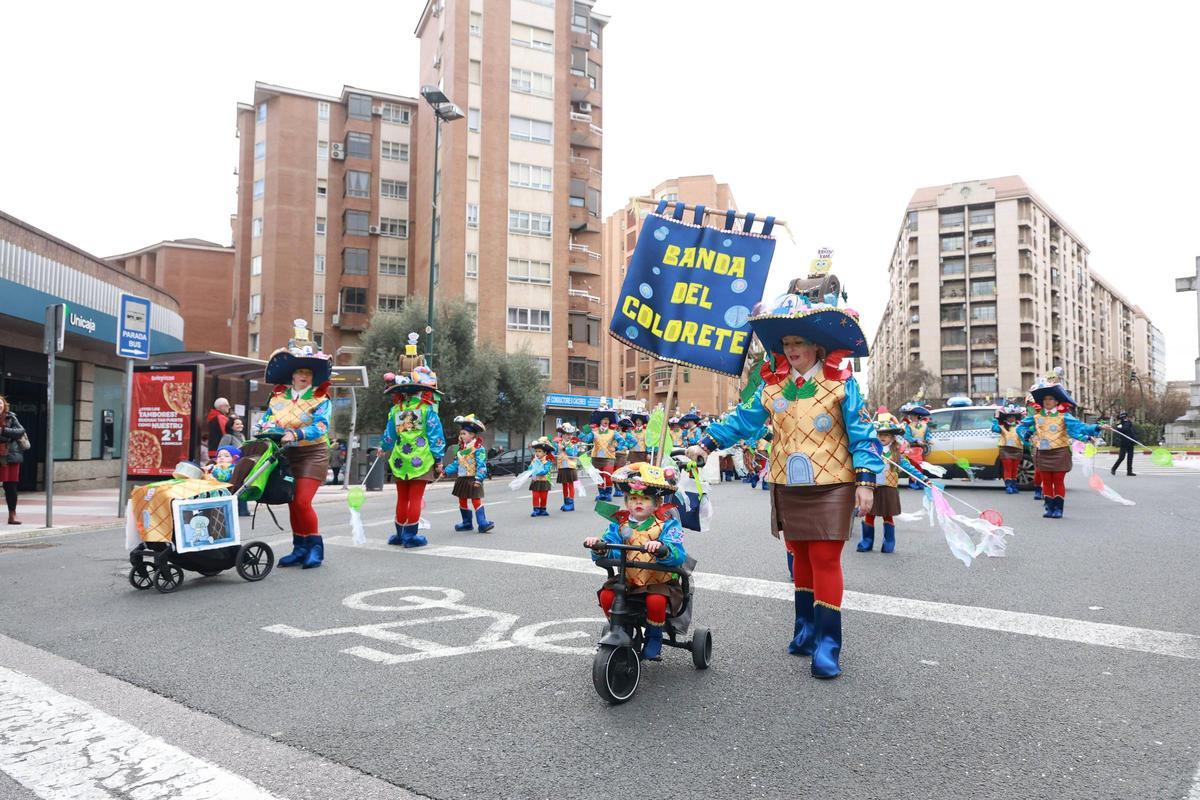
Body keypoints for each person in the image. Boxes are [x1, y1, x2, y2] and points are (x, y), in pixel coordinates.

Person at [689, 282, 880, 679]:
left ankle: (828, 645)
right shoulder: (771, 386)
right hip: (786, 483)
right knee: (801, 559)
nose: (792, 349)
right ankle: (805, 630)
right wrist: (706, 443)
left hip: (833, 482)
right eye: (788, 342)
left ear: (817, 346)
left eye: (800, 341)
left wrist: (866, 480)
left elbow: (862, 433)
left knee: (825, 558)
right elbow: (744, 421)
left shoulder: (841, 384)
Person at [584, 462, 687, 661]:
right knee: (606, 595)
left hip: (659, 581)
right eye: (632, 498)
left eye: (645, 498)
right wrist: (599, 546)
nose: (638, 502)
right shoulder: (620, 524)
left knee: (655, 601)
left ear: (656, 504)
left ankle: (654, 636)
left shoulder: (667, 524)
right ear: (626, 502)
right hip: (628, 579)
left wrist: (662, 549)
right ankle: (620, 628)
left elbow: (678, 553)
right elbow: (611, 548)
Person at [256, 320, 332, 569]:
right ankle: (299, 548)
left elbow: (321, 427)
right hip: (285, 455)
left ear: (313, 376)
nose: (303, 376)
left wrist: (295, 435)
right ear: (292, 375)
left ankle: (315, 548)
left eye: (308, 373)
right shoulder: (278, 398)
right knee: (291, 501)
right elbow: (267, 421)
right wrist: (263, 430)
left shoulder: (321, 399)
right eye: (299, 372)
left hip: (313, 453)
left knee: (302, 501)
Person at [379, 338, 445, 548]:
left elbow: (389, 436)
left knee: (402, 497)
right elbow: (436, 437)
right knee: (415, 498)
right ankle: (410, 536)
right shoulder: (427, 410)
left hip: (400, 460)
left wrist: (384, 448)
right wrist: (439, 458)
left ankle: (399, 534)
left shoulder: (396, 409)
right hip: (421, 459)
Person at [1017, 373, 1108, 519]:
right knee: (1046, 481)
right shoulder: (1035, 417)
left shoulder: (1064, 416)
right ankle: (1049, 507)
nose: (1047, 402)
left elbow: (1080, 427)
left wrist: (1097, 428)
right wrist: (1026, 435)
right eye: (1045, 399)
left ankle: (1058, 509)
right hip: (1043, 453)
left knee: (1058, 481)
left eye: (1051, 399)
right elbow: (1020, 428)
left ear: (1056, 401)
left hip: (1060, 453)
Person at [857, 411, 922, 554]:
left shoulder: (896, 453)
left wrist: (922, 478)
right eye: (880, 434)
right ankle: (866, 541)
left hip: (888, 489)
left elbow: (909, 467)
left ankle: (889, 542)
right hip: (872, 487)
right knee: (869, 513)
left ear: (892, 437)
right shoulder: (871, 451)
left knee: (888, 515)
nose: (882, 437)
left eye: (886, 435)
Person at [444, 414, 495, 533]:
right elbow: (457, 464)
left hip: (473, 478)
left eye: (464, 433)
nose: (461, 436)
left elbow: (482, 464)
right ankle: (467, 523)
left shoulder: (478, 448)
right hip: (462, 478)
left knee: (475, 500)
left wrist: (479, 478)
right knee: (462, 500)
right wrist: (446, 471)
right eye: (461, 433)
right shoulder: (461, 449)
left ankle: (482, 523)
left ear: (472, 435)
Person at [579, 407, 619, 501]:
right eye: (604, 419)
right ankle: (601, 494)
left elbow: (623, 442)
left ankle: (608, 494)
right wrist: (581, 434)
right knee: (598, 477)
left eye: (607, 419)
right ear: (600, 421)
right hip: (596, 457)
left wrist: (618, 448)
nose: (606, 421)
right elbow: (586, 439)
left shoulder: (614, 432)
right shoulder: (594, 432)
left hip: (609, 457)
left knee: (608, 476)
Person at [0, 396, 26, 525]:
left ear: (4, 405)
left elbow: (20, 431)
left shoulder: (11, 417)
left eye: (0, 403)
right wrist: (8, 437)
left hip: (10, 456)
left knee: (11, 486)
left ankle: (12, 515)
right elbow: (13, 435)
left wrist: (3, 430)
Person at [991, 403, 1025, 493]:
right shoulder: (1002, 427)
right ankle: (1008, 486)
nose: (1011, 418)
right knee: (1008, 468)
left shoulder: (1020, 426)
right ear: (1005, 418)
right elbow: (994, 428)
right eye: (1009, 417)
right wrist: (996, 419)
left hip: (1018, 449)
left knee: (1015, 469)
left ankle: (1014, 485)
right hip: (1005, 450)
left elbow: (1025, 434)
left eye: (1013, 416)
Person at [902, 404, 932, 489]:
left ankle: (920, 482)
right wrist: (916, 440)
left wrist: (928, 440)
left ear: (916, 416)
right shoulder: (908, 426)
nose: (910, 417)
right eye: (910, 415)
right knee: (912, 466)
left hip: (921, 449)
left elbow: (927, 435)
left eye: (912, 415)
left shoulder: (924, 426)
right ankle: (912, 482)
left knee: (920, 466)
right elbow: (907, 437)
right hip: (911, 448)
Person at [554, 423, 581, 512]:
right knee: (564, 485)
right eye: (566, 434)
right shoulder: (558, 443)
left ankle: (571, 503)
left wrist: (564, 448)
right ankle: (566, 502)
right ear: (562, 434)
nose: (569, 436)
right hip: (562, 466)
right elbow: (554, 452)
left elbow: (573, 454)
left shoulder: (573, 443)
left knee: (570, 485)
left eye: (570, 434)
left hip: (570, 466)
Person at [527, 437, 555, 517]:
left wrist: (537, 472)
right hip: (535, 481)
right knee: (535, 496)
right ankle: (536, 510)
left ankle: (543, 509)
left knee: (543, 497)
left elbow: (545, 471)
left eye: (539, 451)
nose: (537, 453)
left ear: (545, 452)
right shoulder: (534, 460)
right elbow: (530, 468)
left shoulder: (547, 461)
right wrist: (529, 471)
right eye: (536, 451)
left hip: (544, 481)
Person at [1110, 411, 1137, 476]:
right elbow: (1123, 429)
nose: (1125, 418)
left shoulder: (1129, 423)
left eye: (1126, 417)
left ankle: (1129, 471)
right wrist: (1126, 423)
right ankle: (1113, 468)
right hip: (1124, 443)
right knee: (1121, 457)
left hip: (1130, 442)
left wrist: (1135, 439)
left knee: (1130, 458)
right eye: (1124, 417)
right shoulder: (1120, 424)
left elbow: (1132, 432)